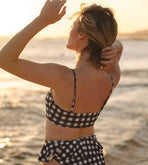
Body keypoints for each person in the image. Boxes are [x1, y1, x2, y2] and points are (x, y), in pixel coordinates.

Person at [0, 0, 123, 164]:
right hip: (93, 157)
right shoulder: (110, 79)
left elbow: (4, 59)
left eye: (73, 26)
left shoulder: (62, 77)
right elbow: (118, 47)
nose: (70, 31)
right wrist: (115, 47)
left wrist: (42, 20)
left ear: (81, 35)